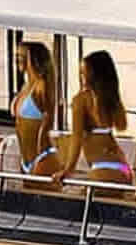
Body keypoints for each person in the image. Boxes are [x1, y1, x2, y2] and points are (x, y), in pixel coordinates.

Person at [52, 50, 131, 189]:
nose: (81, 77)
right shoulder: (111, 99)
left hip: (102, 168)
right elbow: (122, 126)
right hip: (123, 167)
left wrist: (67, 170)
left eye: (84, 73)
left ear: (93, 75)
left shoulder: (80, 100)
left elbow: (76, 140)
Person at [12, 40, 61, 187]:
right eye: (16, 55)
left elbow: (49, 118)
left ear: (32, 58)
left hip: (42, 157)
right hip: (26, 160)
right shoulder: (26, 85)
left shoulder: (42, 86)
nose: (17, 59)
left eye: (21, 55)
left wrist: (40, 144)